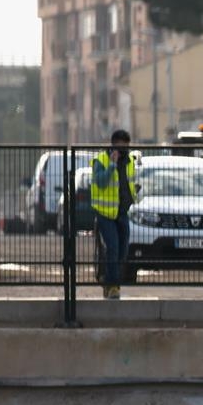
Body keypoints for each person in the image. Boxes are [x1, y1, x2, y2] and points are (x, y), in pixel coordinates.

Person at [90, 128, 139, 299]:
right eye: (119, 147)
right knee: (112, 247)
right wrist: (111, 165)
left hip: (122, 212)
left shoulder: (130, 161)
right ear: (112, 146)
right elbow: (100, 182)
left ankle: (109, 280)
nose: (122, 151)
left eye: (125, 147)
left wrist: (135, 194)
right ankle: (113, 286)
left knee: (123, 250)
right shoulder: (101, 160)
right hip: (105, 213)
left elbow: (130, 183)